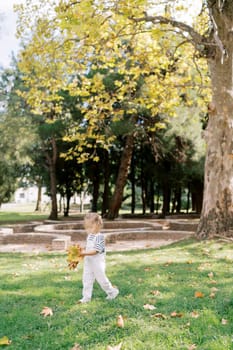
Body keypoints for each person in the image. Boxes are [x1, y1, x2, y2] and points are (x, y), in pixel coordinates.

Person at [78, 212, 119, 303]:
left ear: (97, 225)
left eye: (90, 227)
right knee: (86, 279)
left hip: (97, 263)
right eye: (86, 227)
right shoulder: (90, 236)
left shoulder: (100, 237)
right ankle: (86, 297)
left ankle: (112, 292)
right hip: (88, 262)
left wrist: (84, 253)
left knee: (102, 279)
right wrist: (82, 250)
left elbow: (95, 251)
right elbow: (88, 247)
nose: (88, 230)